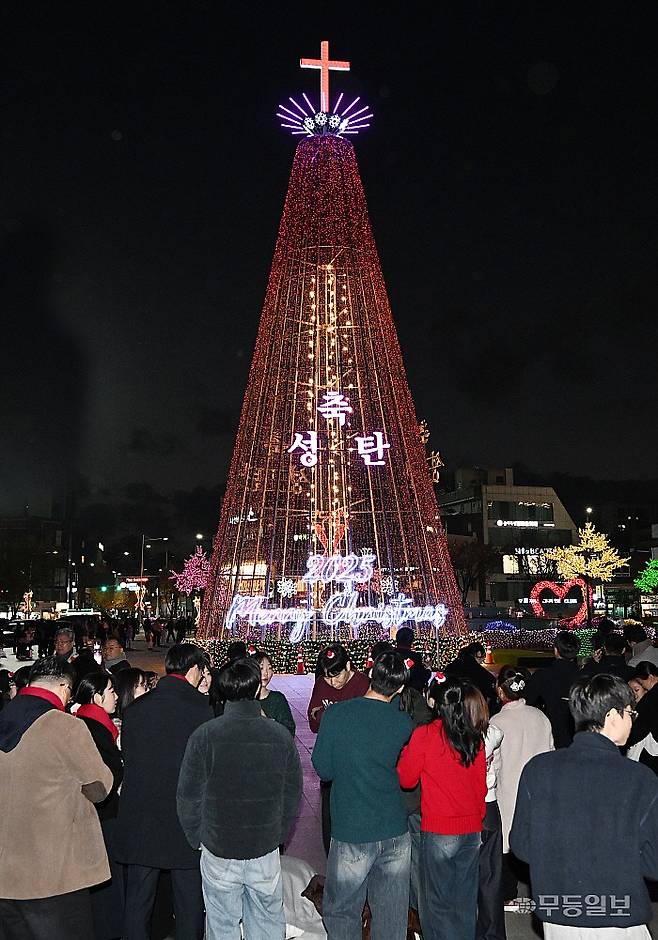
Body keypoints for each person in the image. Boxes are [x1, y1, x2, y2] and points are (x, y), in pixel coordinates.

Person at [510, 674, 658, 937]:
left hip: (558, 912)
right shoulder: (639, 778)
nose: (632, 720)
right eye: (630, 714)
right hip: (618, 912)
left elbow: (522, 844)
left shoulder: (538, 769)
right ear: (613, 715)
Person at [177, 657, 303, 939]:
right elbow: (292, 792)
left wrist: (196, 837)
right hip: (264, 846)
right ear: (257, 688)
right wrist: (279, 834)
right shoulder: (279, 736)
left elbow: (188, 794)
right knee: (268, 921)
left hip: (218, 845)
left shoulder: (205, 735)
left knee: (222, 923)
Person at [0, 656, 113, 940]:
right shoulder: (64, 726)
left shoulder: (4, 717)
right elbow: (100, 788)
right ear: (64, 686)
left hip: (6, 876)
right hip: (54, 875)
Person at [113, 643, 212, 940]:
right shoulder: (201, 711)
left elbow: (129, 758)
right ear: (193, 669)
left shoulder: (136, 709)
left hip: (141, 817)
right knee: (188, 901)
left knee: (139, 901)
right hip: (184, 821)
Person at [313, 651, 414, 940]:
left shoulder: (337, 715)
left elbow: (324, 769)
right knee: (392, 913)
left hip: (351, 829)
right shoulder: (402, 723)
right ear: (400, 688)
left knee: (344, 910)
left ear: (371, 674)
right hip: (394, 828)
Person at [398, 676, 488, 940]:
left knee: (436, 905)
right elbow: (480, 787)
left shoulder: (425, 735)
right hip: (472, 829)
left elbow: (406, 778)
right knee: (464, 903)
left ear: (435, 703)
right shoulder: (475, 737)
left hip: (439, 829)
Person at [489, 666, 554, 909]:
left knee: (506, 842)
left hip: (507, 788)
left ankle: (508, 894)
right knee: (536, 841)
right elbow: (550, 752)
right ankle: (543, 892)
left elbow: (493, 762)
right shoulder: (540, 716)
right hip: (537, 789)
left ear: (500, 690)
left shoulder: (497, 721)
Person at [75, 672, 125, 940]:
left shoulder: (96, 722)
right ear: (97, 697)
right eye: (111, 691)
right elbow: (106, 773)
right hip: (102, 815)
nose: (116, 696)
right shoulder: (91, 727)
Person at [307, 642, 370, 854]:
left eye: (337, 675)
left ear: (349, 666)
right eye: (327, 677)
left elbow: (363, 725)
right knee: (330, 819)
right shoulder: (322, 684)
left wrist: (328, 716)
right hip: (332, 764)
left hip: (358, 766)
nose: (332, 682)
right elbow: (313, 721)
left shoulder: (363, 685)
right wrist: (330, 717)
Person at [522, 630, 581, 748]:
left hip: (551, 735)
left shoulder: (543, 676)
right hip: (579, 737)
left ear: (556, 650)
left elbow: (526, 700)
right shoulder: (585, 676)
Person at [444, 641, 497, 712]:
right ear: (479, 654)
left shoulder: (451, 666)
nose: (482, 661)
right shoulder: (479, 671)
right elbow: (491, 690)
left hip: (451, 708)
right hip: (473, 710)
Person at [255, 650, 296, 736]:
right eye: (261, 668)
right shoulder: (243, 700)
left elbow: (289, 732)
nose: (266, 673)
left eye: (269, 668)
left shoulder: (278, 699)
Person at [395, 626, 431, 692]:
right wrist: (428, 668)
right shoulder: (416, 657)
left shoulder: (390, 655)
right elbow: (422, 677)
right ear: (411, 641)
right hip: (413, 696)